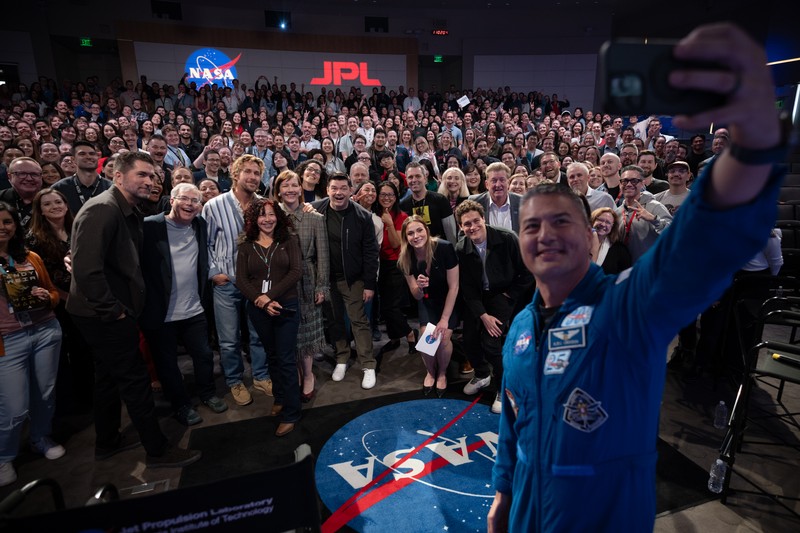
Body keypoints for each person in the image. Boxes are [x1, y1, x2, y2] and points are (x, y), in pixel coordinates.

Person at [488, 22, 787, 532]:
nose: (545, 233)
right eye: (531, 224)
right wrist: (502, 492)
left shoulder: (626, 308)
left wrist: (753, 137)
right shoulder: (519, 329)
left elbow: (699, 248)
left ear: (591, 236)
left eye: (562, 220)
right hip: (526, 516)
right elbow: (514, 422)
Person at [68, 151, 201, 469]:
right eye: (141, 174)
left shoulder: (124, 209)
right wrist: (114, 311)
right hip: (105, 315)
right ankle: (157, 449)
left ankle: (107, 441)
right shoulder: (103, 209)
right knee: (135, 380)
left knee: (107, 379)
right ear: (117, 176)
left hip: (107, 311)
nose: (150, 180)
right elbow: (87, 271)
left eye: (153, 175)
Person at [140, 183, 228, 427]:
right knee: (167, 364)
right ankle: (181, 405)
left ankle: (208, 393)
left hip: (193, 309)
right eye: (185, 199)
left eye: (195, 201)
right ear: (172, 200)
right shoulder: (149, 226)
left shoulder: (200, 225)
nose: (190, 204)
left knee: (203, 356)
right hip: (161, 312)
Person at [0, 203, 63, 487]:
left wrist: (45, 297)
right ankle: (4, 456)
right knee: (13, 407)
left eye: (7, 221)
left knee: (45, 393)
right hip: (7, 339)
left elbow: (53, 293)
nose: (2, 227)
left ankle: (40, 437)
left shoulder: (30, 257)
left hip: (44, 330)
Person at [202, 154, 271, 406]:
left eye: (257, 173)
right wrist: (214, 274)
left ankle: (262, 376)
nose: (253, 177)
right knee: (229, 340)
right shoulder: (214, 205)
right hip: (227, 282)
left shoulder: (265, 204)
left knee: (258, 334)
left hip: (256, 283)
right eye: (248, 172)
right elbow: (206, 245)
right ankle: (234, 381)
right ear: (235, 173)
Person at [455, 200, 533, 413]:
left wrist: (510, 295)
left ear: (484, 219)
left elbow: (527, 271)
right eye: (466, 224)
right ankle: (481, 374)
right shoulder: (461, 248)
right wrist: (482, 315)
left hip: (503, 295)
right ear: (461, 227)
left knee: (491, 342)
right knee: (469, 339)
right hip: (478, 298)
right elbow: (468, 288)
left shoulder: (507, 238)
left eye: (475, 221)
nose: (472, 227)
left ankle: (503, 386)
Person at [236, 198, 303, 437]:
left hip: (286, 306)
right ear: (254, 220)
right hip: (258, 309)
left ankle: (292, 413)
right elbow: (242, 280)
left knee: (285, 358)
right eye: (262, 215)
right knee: (272, 355)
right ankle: (280, 398)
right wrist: (261, 301)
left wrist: (268, 297)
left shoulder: (289, 240)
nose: (267, 219)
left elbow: (295, 271)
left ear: (278, 217)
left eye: (271, 214)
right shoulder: (245, 246)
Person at [313, 173, 379, 389]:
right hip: (326, 278)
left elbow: (371, 253)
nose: (338, 192)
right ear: (327, 190)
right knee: (334, 320)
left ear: (351, 191)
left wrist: (369, 284)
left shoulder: (362, 216)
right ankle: (341, 358)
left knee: (358, 321)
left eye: (343, 188)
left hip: (354, 279)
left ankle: (368, 365)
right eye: (334, 188)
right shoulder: (316, 209)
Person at [274, 170, 329, 401]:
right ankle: (295, 370)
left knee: (306, 334)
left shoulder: (314, 217)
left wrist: (321, 287)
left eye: (294, 185)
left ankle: (308, 374)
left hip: (307, 279)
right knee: (290, 333)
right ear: (278, 191)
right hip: (280, 282)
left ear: (301, 189)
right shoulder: (272, 216)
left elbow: (323, 255)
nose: (290, 189)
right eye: (285, 186)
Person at [398, 215, 459, 397]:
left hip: (449, 299)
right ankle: (430, 371)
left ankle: (442, 373)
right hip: (427, 300)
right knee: (426, 338)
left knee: (443, 337)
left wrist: (444, 319)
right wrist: (419, 286)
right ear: (405, 238)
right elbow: (416, 295)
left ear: (426, 230)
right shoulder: (406, 258)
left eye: (419, 230)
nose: (416, 236)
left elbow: (454, 287)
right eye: (410, 233)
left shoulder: (444, 247)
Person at [590, 207, 632, 275]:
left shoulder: (620, 250)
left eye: (608, 222)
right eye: (600, 220)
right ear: (593, 220)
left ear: (613, 226)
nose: (603, 224)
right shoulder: (579, 242)